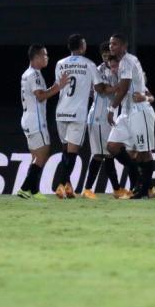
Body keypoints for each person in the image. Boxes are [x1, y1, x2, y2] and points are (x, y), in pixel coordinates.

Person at [105, 33, 155, 200]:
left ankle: (144, 190)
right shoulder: (122, 64)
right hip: (127, 113)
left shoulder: (127, 61)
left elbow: (125, 87)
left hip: (139, 111)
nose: (112, 46)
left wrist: (111, 108)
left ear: (124, 46)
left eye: (115, 44)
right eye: (111, 44)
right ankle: (142, 181)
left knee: (143, 152)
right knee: (112, 146)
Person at [17, 44, 70, 200]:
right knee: (44, 152)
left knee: (36, 156)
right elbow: (40, 96)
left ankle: (33, 190)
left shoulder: (28, 73)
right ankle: (24, 188)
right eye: (45, 55)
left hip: (28, 118)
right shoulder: (34, 74)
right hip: (36, 120)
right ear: (37, 56)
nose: (47, 58)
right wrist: (58, 86)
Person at [53, 34, 102, 199]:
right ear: (82, 46)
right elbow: (98, 87)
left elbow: (62, 86)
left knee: (65, 151)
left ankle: (68, 186)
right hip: (77, 113)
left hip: (61, 112)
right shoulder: (89, 64)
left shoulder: (60, 64)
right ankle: (60, 185)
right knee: (72, 153)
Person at [85, 42, 128, 199]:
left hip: (109, 117)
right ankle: (88, 189)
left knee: (108, 154)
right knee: (99, 155)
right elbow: (101, 89)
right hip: (98, 117)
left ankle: (116, 190)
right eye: (103, 56)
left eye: (107, 56)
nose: (105, 59)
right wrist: (120, 87)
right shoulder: (99, 70)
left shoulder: (118, 68)